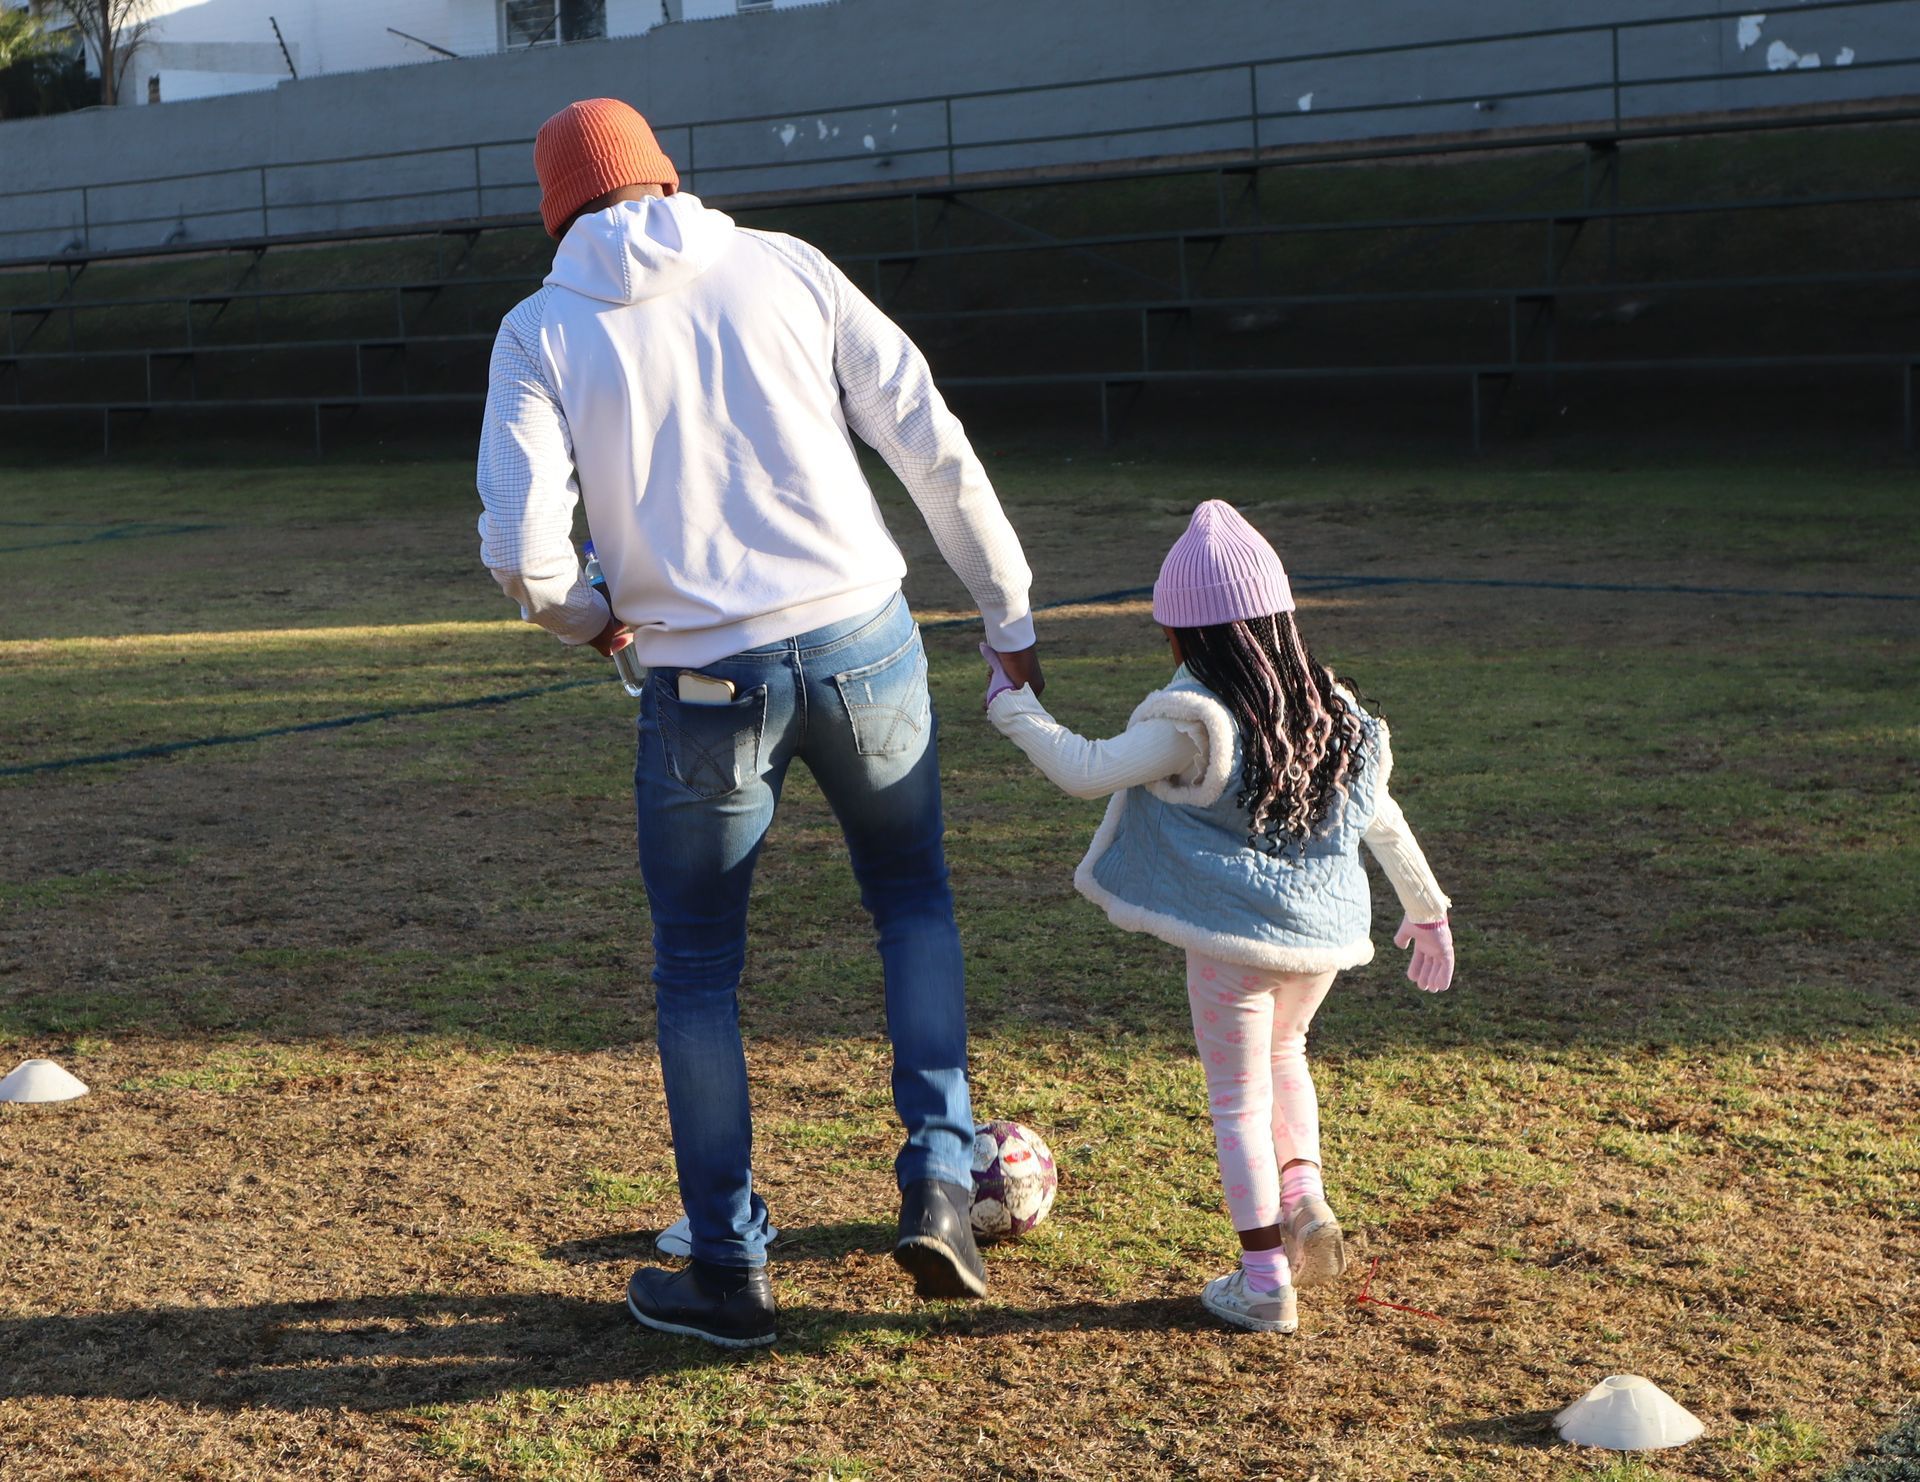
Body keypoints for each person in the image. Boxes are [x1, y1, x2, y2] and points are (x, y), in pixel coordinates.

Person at [476, 98, 1043, 1348]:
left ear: (553, 211)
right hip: (863, 638)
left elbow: (521, 553)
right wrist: (1005, 606)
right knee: (913, 901)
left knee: (697, 975)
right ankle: (943, 1180)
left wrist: (595, 619)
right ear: (671, 178)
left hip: (695, 679)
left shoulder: (540, 332)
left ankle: (729, 1268)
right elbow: (928, 439)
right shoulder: (786, 264)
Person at [981, 500, 1454, 1335]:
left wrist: (1009, 703)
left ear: (1180, 636)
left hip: (1234, 943)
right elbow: (1382, 817)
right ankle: (1305, 1197)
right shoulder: (1334, 713)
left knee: (1236, 1101)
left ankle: (1264, 1278)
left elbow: (1087, 769)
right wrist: (1427, 909)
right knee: (1288, 1054)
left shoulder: (1197, 723)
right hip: (1318, 945)